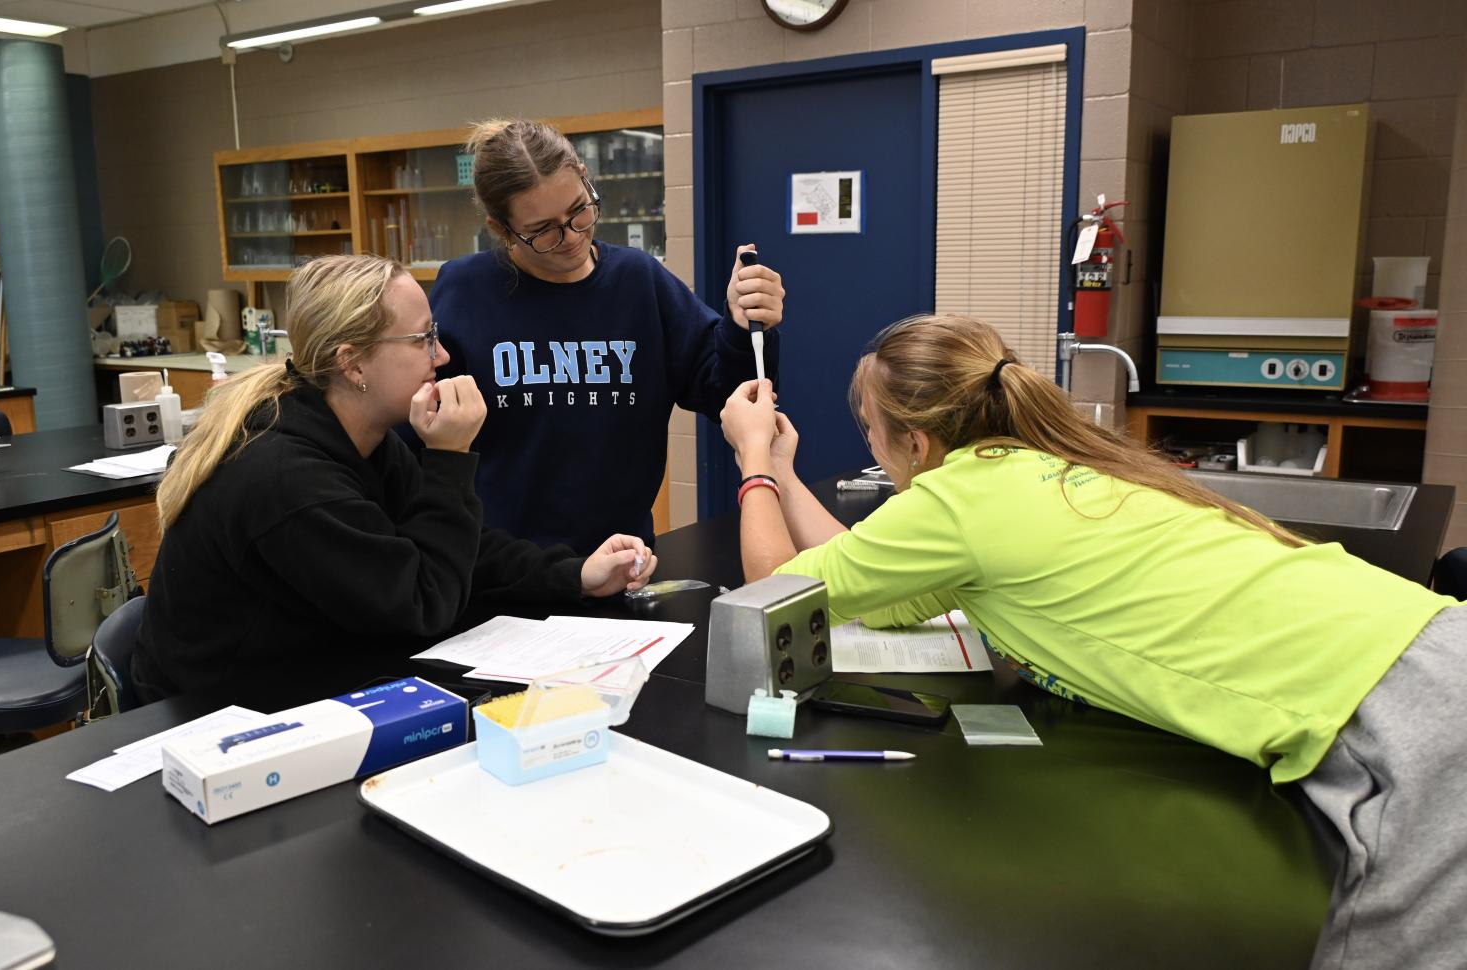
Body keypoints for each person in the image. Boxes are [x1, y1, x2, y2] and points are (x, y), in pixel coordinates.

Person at [719, 313, 1463, 970]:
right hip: (1420, 643)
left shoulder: (957, 507)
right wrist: (784, 471)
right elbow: (854, 584)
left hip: (1398, 713)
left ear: (914, 443)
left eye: (872, 435)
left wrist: (751, 460)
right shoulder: (1038, 474)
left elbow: (773, 590)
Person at [133, 255, 657, 703]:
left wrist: (574, 574)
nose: (443, 355)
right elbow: (422, 603)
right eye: (423, 339)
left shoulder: (364, 438)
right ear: (352, 363)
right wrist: (449, 457)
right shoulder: (286, 477)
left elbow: (457, 550)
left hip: (314, 677)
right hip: (218, 721)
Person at [426, 118, 786, 552]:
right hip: (504, 569)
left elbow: (727, 395)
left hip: (623, 561)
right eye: (543, 231)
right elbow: (424, 433)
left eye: (580, 209)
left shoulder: (639, 281)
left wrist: (744, 324)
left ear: (586, 180)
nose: (572, 236)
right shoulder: (466, 289)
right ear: (501, 229)